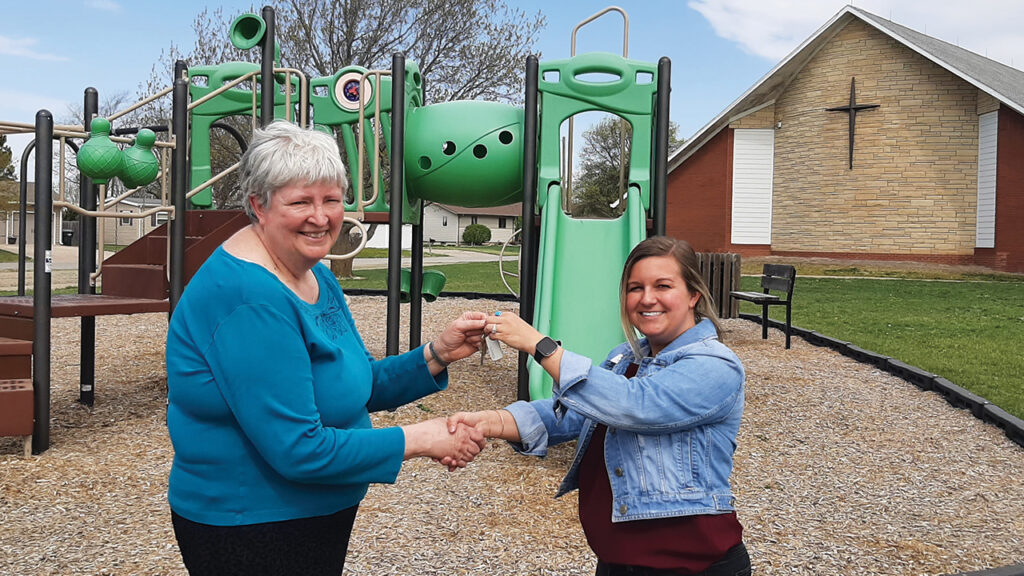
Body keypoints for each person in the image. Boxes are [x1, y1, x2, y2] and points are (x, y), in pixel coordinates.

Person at [165, 121, 488, 576]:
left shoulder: (312, 271)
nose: (320, 218)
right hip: (252, 524)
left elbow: (359, 381)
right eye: (301, 202)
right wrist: (421, 438)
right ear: (258, 205)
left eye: (331, 200)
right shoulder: (249, 299)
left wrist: (437, 354)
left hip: (312, 515)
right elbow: (300, 449)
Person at [447, 236, 750, 576]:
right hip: (619, 562)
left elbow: (637, 405)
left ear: (694, 295)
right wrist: (487, 422)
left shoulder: (715, 364)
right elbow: (572, 415)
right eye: (635, 288)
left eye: (663, 286)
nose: (647, 298)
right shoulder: (626, 357)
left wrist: (540, 346)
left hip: (693, 566)